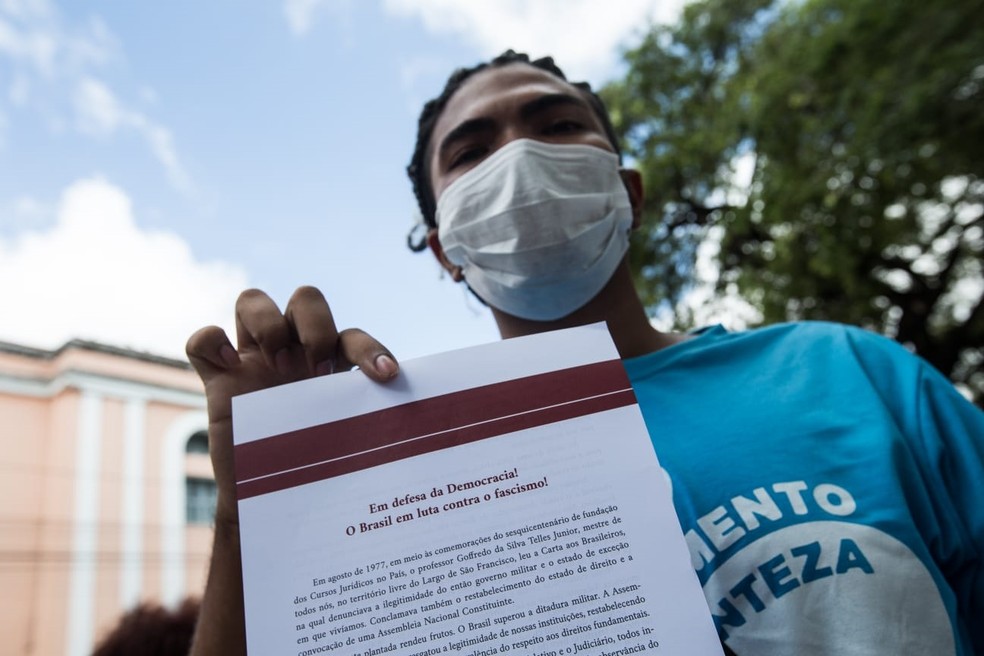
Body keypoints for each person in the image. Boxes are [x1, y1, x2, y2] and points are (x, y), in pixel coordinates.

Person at [185, 51, 984, 655]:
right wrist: (255, 508)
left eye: (558, 124)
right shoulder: (403, 471)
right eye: (470, 152)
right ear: (444, 248)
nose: (520, 158)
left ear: (626, 195)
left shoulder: (849, 376)